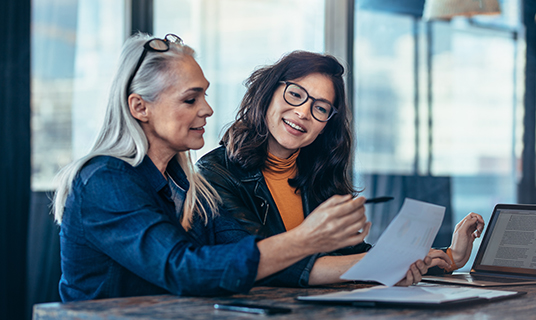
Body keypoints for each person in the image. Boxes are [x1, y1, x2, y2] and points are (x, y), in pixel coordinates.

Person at [52, 33, 378, 302]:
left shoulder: (187, 185)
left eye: (205, 95)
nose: (207, 109)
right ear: (140, 107)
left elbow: (234, 257)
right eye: (190, 100)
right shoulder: (105, 180)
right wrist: (306, 239)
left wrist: (386, 263)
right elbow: (184, 270)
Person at [196, 50, 485, 281]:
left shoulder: (319, 174)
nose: (303, 112)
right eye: (295, 94)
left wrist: (449, 257)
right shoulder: (215, 173)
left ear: (326, 124)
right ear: (268, 93)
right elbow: (261, 263)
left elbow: (352, 255)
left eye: (320, 108)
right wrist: (381, 265)